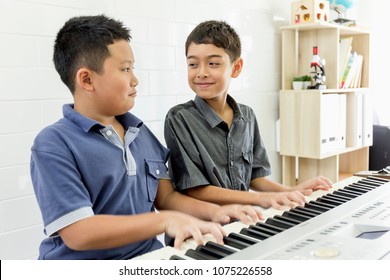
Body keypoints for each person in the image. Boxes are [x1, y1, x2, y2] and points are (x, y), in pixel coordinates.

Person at [30, 15, 263, 260]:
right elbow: (79, 233)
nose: (135, 79)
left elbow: (168, 198)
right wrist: (165, 221)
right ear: (87, 79)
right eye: (126, 69)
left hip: (148, 258)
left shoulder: (139, 133)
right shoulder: (54, 144)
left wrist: (218, 212)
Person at [164, 20, 333, 210]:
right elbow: (195, 189)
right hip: (199, 229)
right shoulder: (179, 118)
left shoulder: (247, 115)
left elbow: (255, 176)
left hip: (241, 221)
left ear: (236, 68)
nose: (201, 73)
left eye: (213, 63)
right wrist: (259, 200)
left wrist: (290, 190)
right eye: (193, 64)